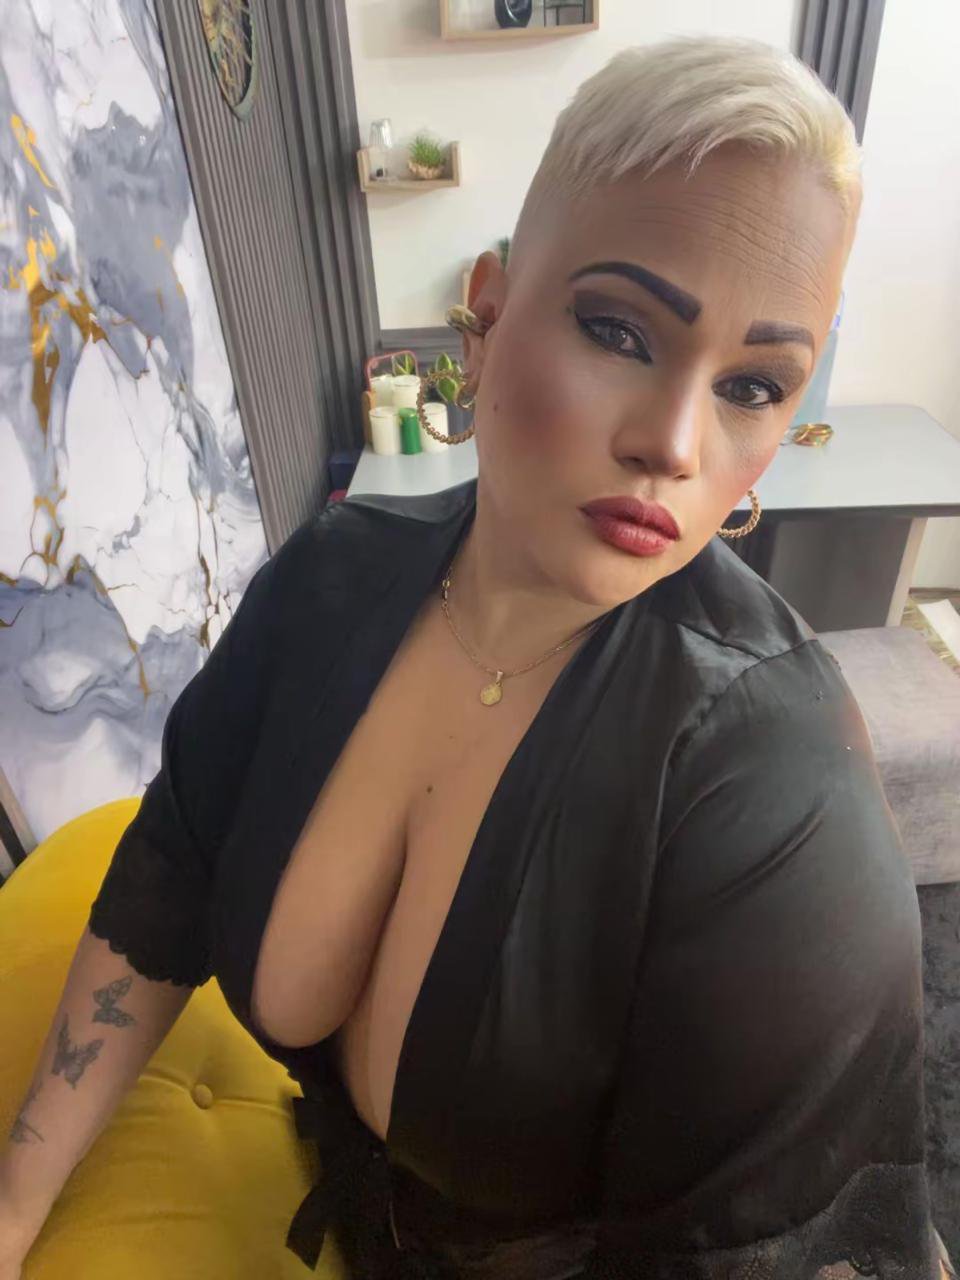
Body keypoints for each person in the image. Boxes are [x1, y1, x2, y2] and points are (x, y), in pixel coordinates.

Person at [0, 34, 951, 1280]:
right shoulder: (330, 580)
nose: (674, 443)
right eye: (619, 329)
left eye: (755, 385)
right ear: (488, 316)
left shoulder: (773, 794)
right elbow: (173, 867)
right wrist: (13, 1207)